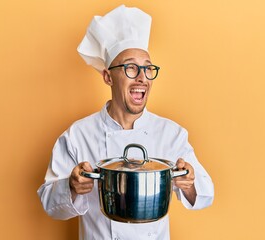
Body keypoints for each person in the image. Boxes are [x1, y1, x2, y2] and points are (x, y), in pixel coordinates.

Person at [38, 5, 214, 240]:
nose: (142, 77)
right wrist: (71, 186)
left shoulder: (172, 134)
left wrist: (189, 182)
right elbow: (49, 204)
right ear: (108, 76)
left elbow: (205, 194)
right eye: (131, 67)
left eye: (148, 68)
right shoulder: (77, 135)